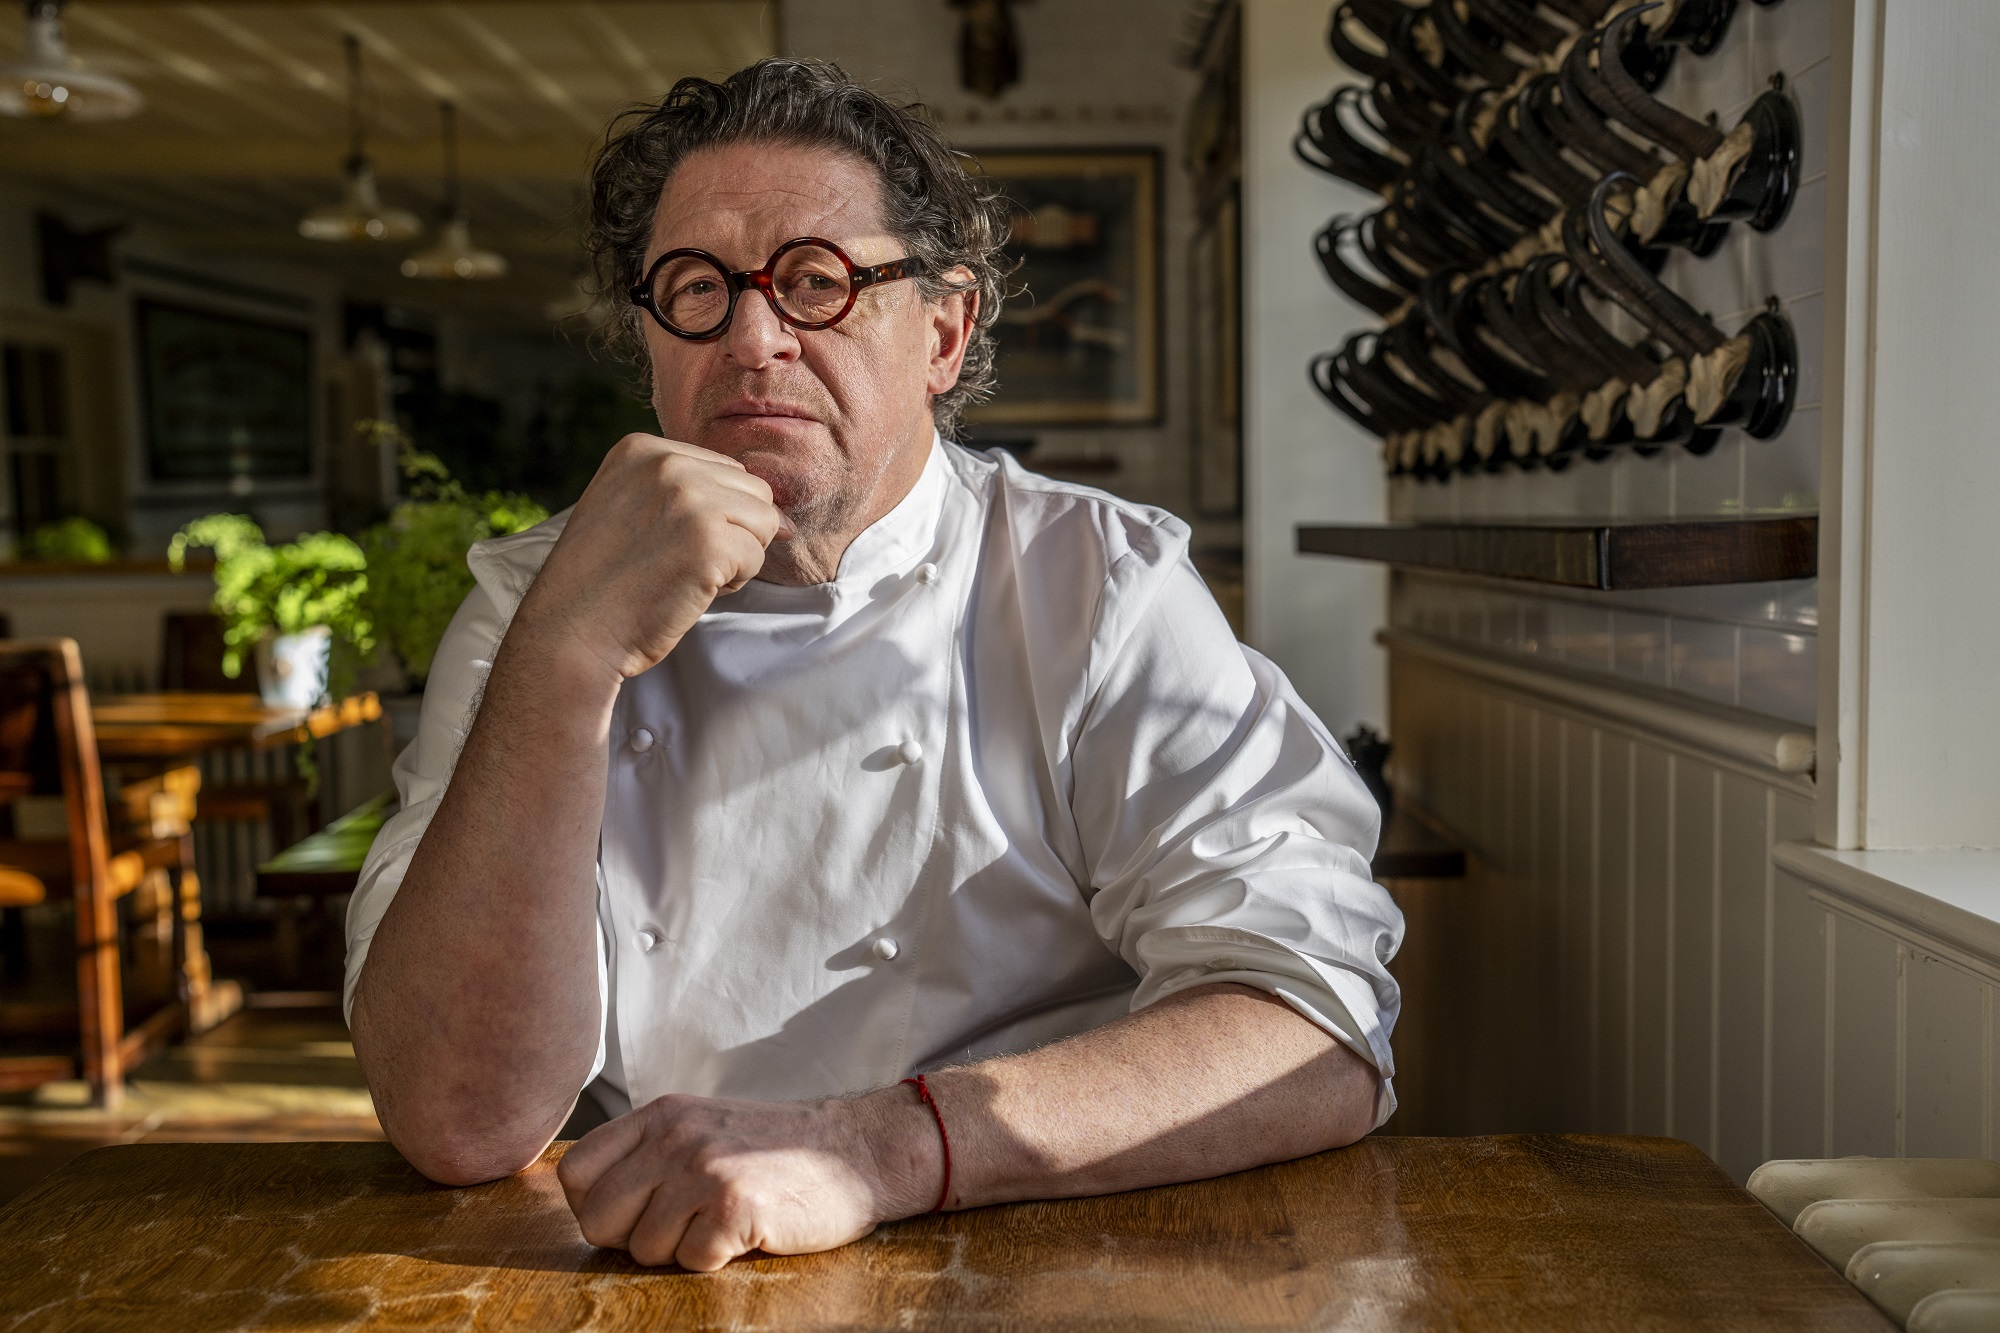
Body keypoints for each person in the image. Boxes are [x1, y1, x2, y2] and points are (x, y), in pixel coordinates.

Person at [345, 57, 1402, 1273]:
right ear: (650, 338)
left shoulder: (1090, 590)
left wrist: (872, 1151)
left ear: (943, 332)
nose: (752, 338)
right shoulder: (535, 604)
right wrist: (569, 656)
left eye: (815, 281)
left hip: (1044, 1259)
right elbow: (457, 1120)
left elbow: (1315, 1029)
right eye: (695, 288)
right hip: (664, 1263)